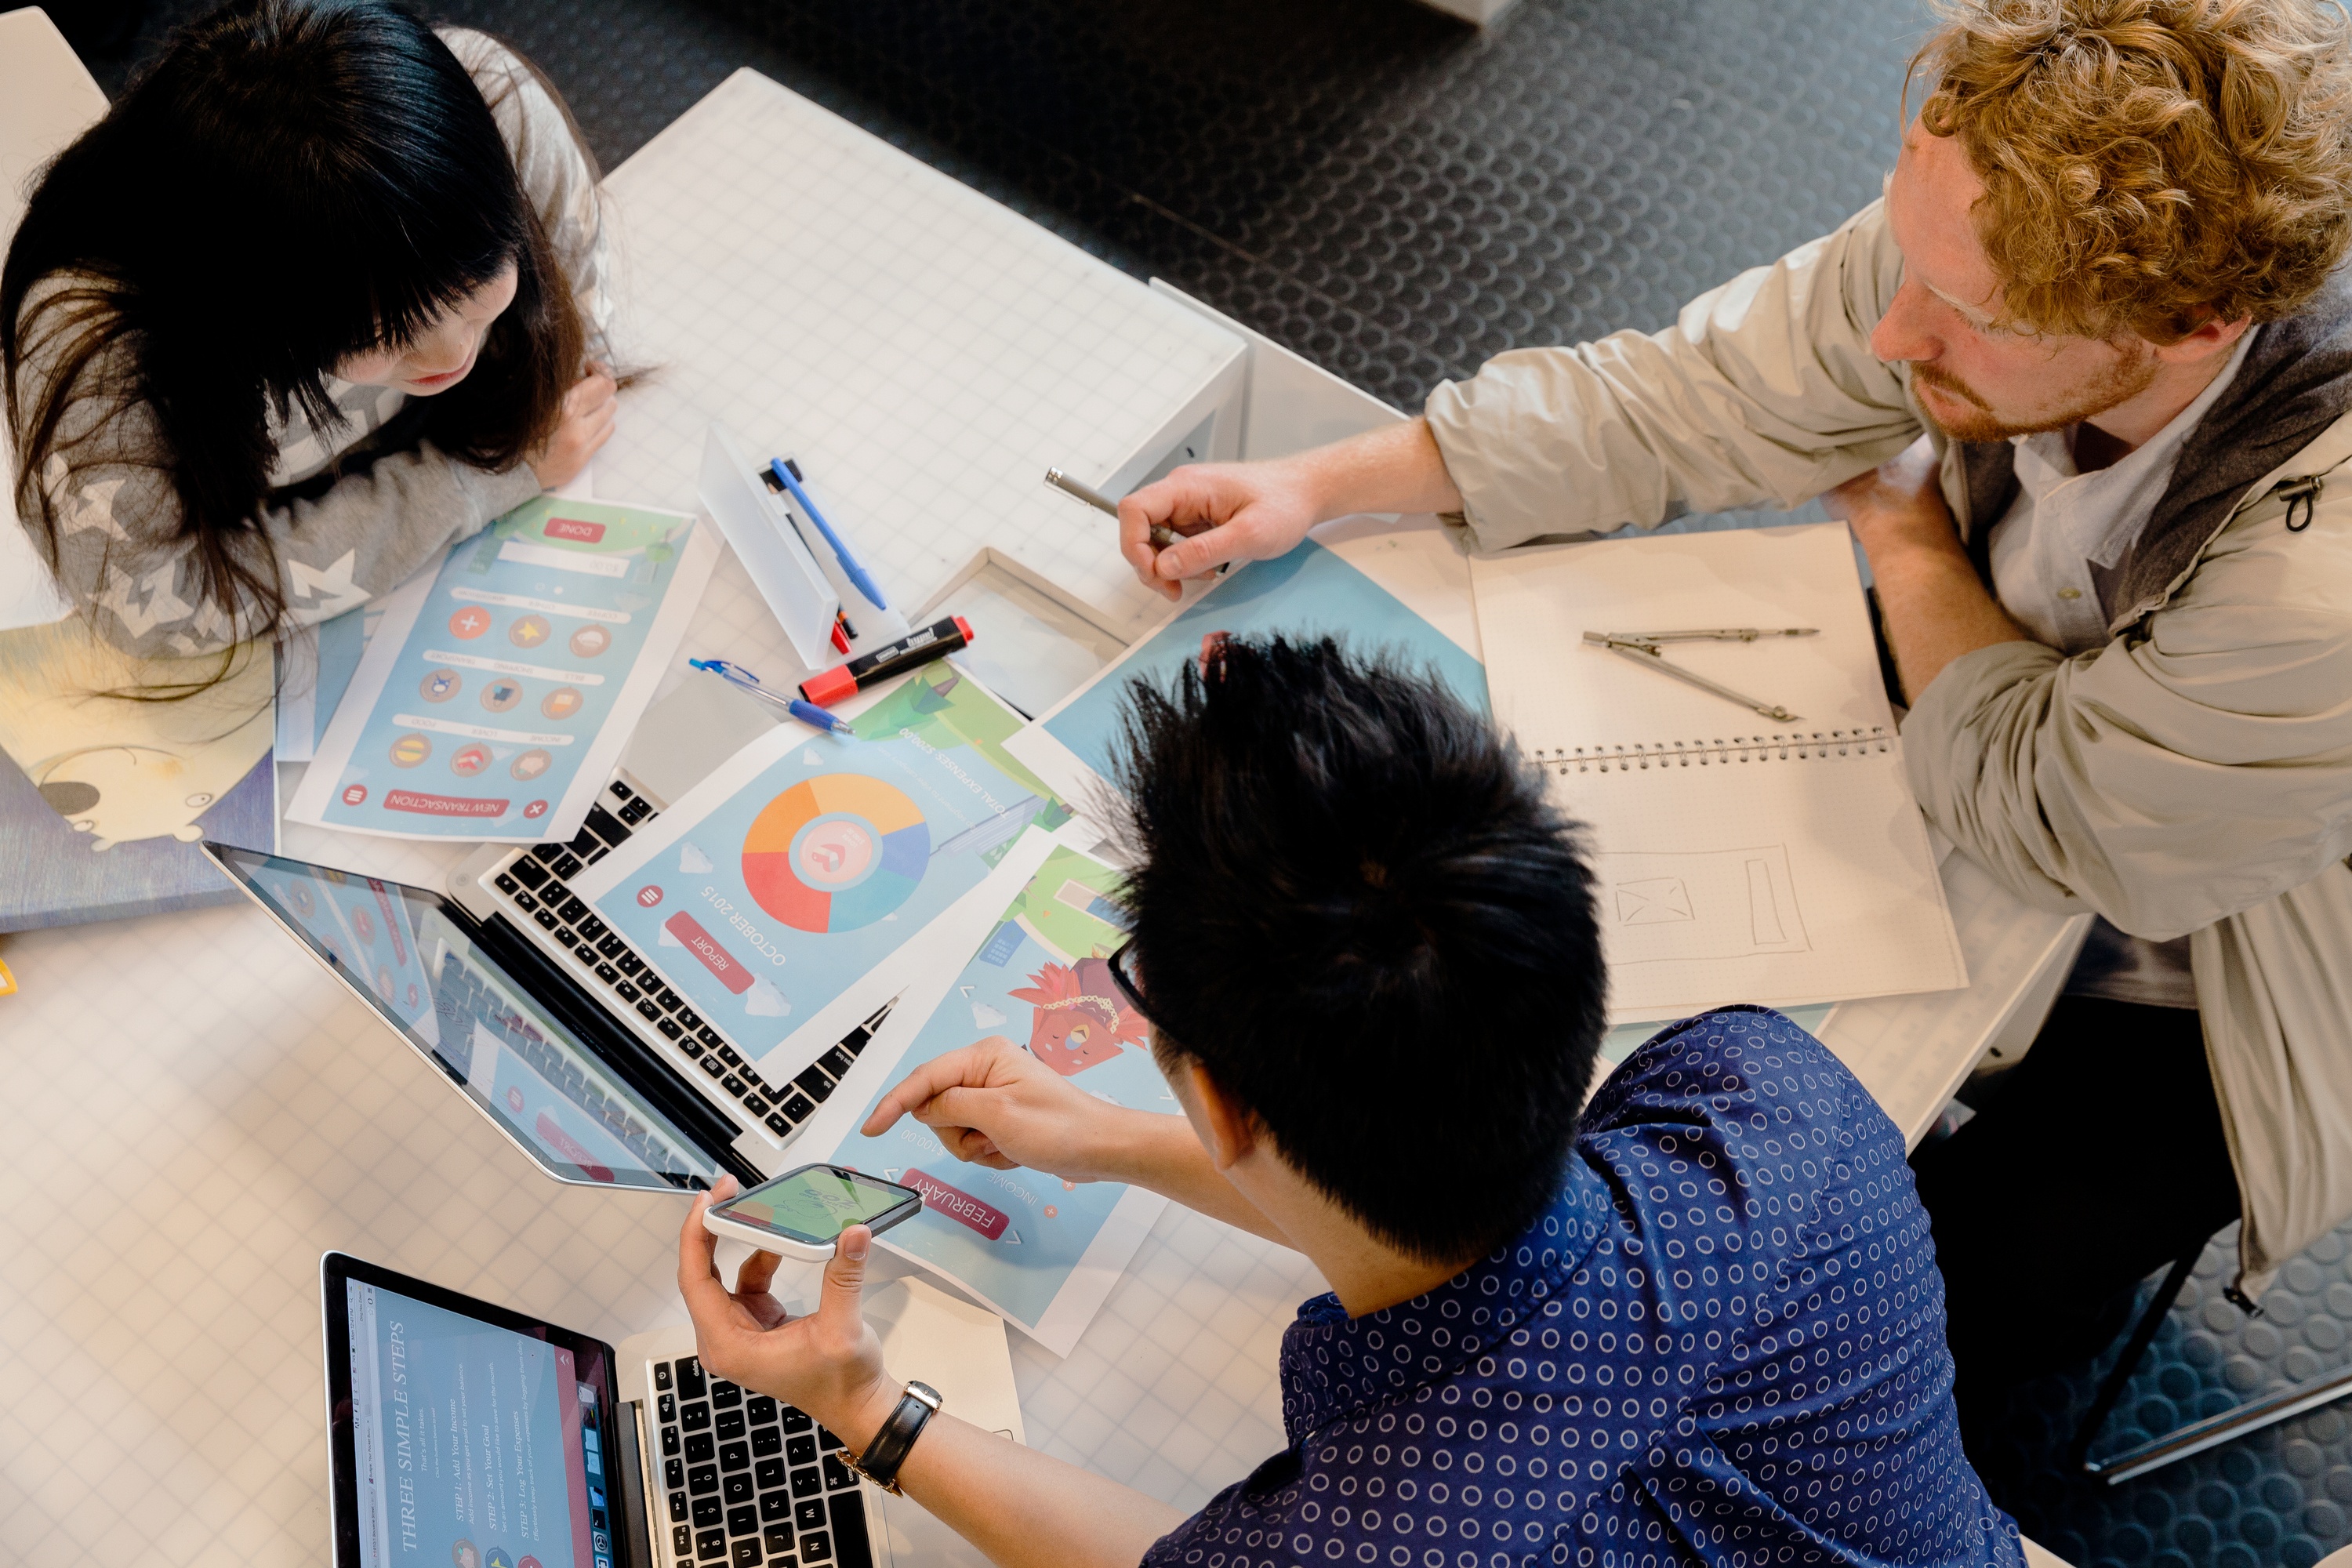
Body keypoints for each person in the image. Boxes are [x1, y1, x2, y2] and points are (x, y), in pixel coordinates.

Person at [1105, 0, 2352, 1459]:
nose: (1894, 333)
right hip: (2015, 750)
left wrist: (1907, 543)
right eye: (1908, 255)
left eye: (1976, 319)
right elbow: (1693, 396)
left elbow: (2061, 820)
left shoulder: (2320, 583)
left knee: (1958, 1289)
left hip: (2222, 970)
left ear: (2195, 326)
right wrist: (1330, 482)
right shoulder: (1999, 232)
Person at [678, 636, 2023, 1568]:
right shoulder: (1767, 1094)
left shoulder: (1366, 1536)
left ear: (1224, 1101)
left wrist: (868, 1410)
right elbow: (1470, 1204)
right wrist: (1104, 1142)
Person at [3, 0, 617, 670]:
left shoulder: (497, 106)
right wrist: (476, 482)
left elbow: (579, 347)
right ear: (252, 310)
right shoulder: (96, 345)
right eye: (384, 334)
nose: (453, 353)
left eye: (479, 277)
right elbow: (154, 605)